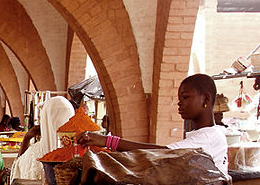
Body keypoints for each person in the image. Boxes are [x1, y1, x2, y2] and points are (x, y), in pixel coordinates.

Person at [76, 74, 229, 177]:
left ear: (206, 99)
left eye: (185, 97)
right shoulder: (201, 135)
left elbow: (162, 153)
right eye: (179, 98)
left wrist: (109, 142)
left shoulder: (211, 136)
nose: (179, 102)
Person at [9, 96, 75, 182]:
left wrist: (26, 139)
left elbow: (16, 176)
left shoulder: (33, 154)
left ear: (44, 119)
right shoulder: (78, 152)